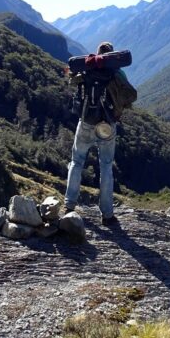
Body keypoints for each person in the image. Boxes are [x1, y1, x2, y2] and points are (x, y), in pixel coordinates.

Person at [64, 41, 135, 225]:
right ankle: (107, 214)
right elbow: (129, 95)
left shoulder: (87, 68)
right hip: (107, 126)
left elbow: (72, 80)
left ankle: (69, 206)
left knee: (77, 161)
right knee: (106, 166)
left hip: (86, 121)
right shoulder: (117, 72)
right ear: (112, 56)